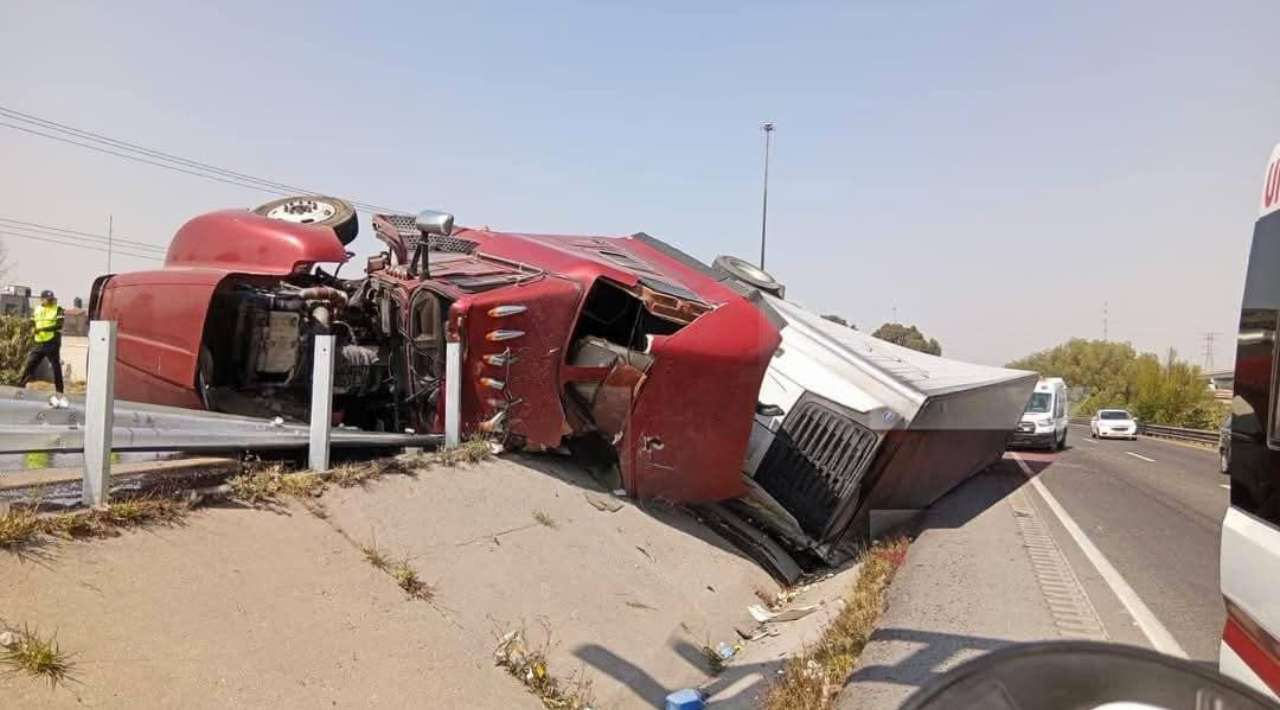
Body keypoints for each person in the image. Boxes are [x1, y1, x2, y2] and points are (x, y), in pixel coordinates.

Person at [17, 289, 68, 407]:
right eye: (47, 299)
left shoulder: (59, 309)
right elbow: (32, 322)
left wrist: (42, 330)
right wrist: (30, 328)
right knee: (30, 364)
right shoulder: (37, 309)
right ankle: (19, 388)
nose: (50, 301)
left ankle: (59, 392)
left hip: (52, 342)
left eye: (51, 299)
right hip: (39, 342)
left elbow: (59, 325)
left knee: (56, 368)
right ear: (42, 299)